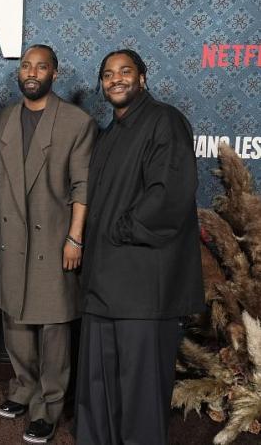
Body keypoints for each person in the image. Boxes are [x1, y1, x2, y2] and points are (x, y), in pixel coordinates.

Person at [74, 49, 204, 444]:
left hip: (145, 286)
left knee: (141, 390)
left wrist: (119, 229)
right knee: (99, 382)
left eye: (125, 71)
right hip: (103, 283)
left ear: (143, 78)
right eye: (108, 74)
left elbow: (170, 195)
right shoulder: (110, 132)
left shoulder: (165, 121)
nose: (116, 79)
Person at [0, 44, 97, 444]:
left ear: (55, 73)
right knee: (15, 320)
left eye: (41, 66)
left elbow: (82, 186)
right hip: (12, 236)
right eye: (25, 66)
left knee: (53, 325)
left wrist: (75, 237)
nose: (32, 72)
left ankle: (49, 406)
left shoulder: (76, 122)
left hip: (54, 240)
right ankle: (24, 389)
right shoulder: (1, 120)